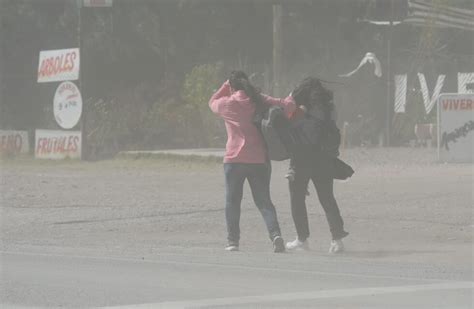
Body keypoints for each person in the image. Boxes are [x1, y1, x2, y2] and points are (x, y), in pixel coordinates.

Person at [209, 70, 296, 253]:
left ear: (232, 86)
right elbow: (287, 107)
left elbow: (212, 102)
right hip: (259, 160)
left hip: (234, 160)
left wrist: (225, 86)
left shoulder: (228, 103)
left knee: (233, 201)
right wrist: (291, 98)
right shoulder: (259, 100)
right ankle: (276, 235)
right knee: (264, 201)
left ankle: (233, 242)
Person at [284, 77, 349, 253]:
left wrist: (292, 95)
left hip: (302, 160)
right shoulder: (329, 109)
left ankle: (302, 239)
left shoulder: (301, 109)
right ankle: (337, 241)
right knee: (327, 199)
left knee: (297, 199)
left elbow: (286, 112)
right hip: (324, 160)